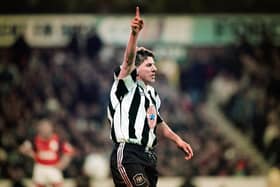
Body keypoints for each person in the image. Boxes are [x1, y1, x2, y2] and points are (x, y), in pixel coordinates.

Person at [107, 7, 194, 187]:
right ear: (136, 70)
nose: (154, 69)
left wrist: (177, 140)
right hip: (128, 153)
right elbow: (128, 60)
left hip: (148, 156)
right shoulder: (125, 84)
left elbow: (158, 123)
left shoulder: (152, 94)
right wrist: (134, 34)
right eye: (149, 65)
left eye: (154, 65)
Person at [19, 119, 75, 187]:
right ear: (39, 128)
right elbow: (22, 149)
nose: (45, 129)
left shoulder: (59, 139)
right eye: (42, 127)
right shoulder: (34, 139)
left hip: (54, 167)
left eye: (46, 127)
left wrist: (62, 164)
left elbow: (69, 151)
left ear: (51, 128)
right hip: (40, 167)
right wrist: (32, 155)